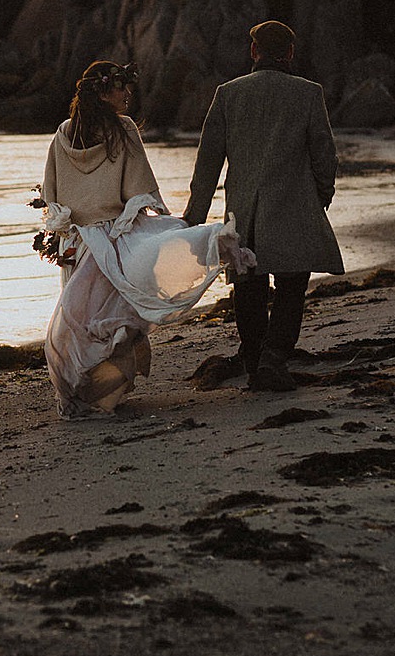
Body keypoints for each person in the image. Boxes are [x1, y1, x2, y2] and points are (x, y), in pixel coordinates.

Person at [40, 60, 253, 417]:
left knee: (82, 318)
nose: (128, 94)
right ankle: (109, 390)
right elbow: (137, 192)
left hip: (78, 242)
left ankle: (85, 391)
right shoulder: (123, 129)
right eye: (121, 87)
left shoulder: (64, 133)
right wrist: (169, 221)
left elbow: (52, 192)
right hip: (117, 237)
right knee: (121, 312)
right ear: (104, 92)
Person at [184, 21, 344, 391]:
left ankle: (255, 358)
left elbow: (208, 161)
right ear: (289, 53)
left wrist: (194, 215)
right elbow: (325, 153)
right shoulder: (308, 93)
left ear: (253, 52)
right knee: (291, 289)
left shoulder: (228, 93)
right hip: (294, 206)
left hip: (244, 211)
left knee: (248, 287)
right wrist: (322, 196)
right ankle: (273, 358)